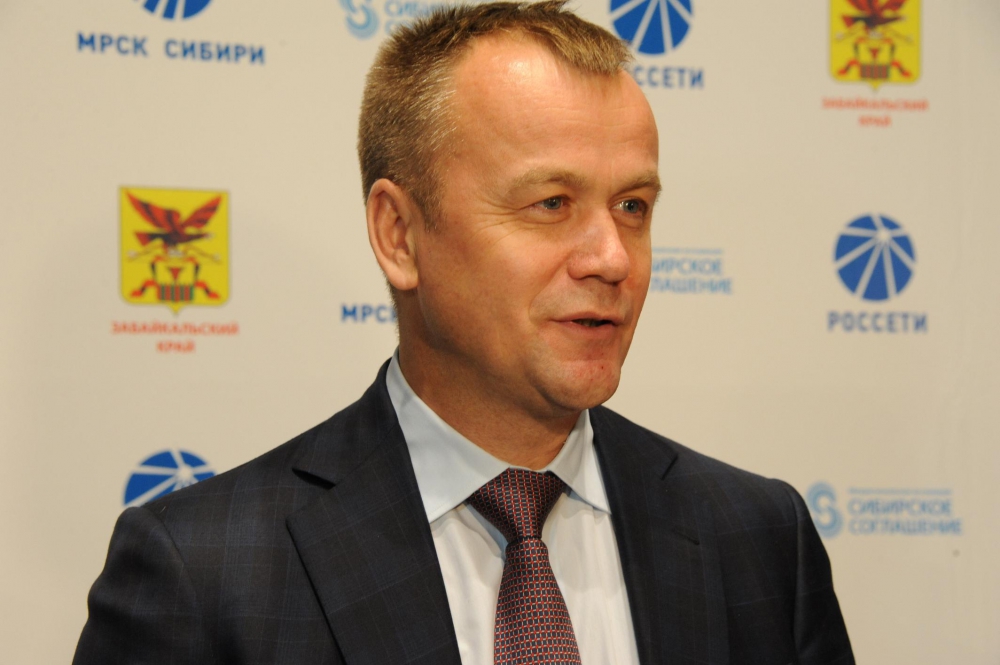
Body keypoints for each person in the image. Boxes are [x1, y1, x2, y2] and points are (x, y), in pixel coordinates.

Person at [74, 2, 854, 664]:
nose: (613, 258)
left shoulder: (759, 539)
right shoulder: (204, 576)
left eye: (633, 207)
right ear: (400, 235)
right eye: (551, 203)